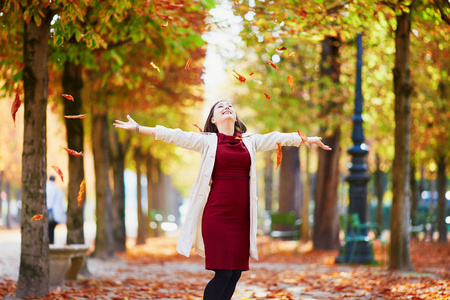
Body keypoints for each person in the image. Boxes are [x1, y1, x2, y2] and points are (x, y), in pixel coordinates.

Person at [113, 100, 331, 300]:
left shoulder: (251, 142)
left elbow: (277, 138)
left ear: (235, 117)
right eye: (220, 107)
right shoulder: (207, 141)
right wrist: (140, 128)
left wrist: (306, 139)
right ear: (213, 119)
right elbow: (175, 134)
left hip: (241, 219)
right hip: (217, 215)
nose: (227, 107)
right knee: (223, 272)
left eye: (230, 106)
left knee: (235, 273)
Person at [46, 175, 66, 244]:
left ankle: (47, 243)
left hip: (46, 212)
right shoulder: (58, 190)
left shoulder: (45, 188)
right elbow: (61, 204)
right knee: (51, 230)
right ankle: (51, 243)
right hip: (55, 214)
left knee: (46, 229)